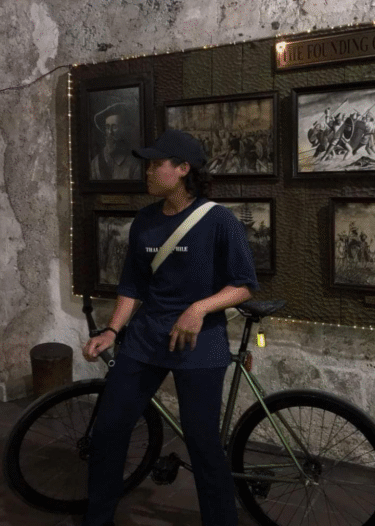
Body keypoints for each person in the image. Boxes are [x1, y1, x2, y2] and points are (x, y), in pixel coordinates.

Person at [81, 129, 259, 526]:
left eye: (155, 164)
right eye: (148, 164)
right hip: (145, 339)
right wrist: (111, 330)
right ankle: (96, 519)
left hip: (201, 341)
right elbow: (132, 285)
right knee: (110, 430)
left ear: (182, 170)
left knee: (202, 442)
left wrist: (199, 307)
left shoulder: (219, 221)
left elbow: (244, 285)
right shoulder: (145, 221)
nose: (147, 171)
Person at [90, 103, 143, 180]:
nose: (110, 132)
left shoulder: (134, 165)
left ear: (123, 130)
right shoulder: (95, 163)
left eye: (114, 127)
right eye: (107, 127)